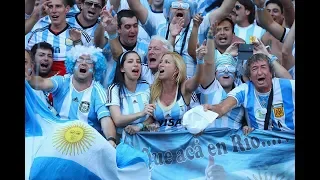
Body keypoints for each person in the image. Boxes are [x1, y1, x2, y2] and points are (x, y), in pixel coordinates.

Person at [25, 45, 117, 147]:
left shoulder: (98, 91)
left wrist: (111, 139)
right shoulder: (63, 81)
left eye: (89, 61)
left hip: (86, 143)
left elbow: (105, 119)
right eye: (80, 59)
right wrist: (29, 79)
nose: (83, 63)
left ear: (95, 68)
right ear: (73, 65)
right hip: (58, 138)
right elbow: (42, 82)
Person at [127, 0, 238, 78]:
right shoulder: (158, 23)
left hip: (189, 87)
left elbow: (225, 9)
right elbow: (135, 6)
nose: (180, 8)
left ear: (191, 12)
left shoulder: (199, 24)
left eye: (185, 6)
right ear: (167, 10)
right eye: (174, 5)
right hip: (160, 83)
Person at [203, 53, 295, 133]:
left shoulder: (288, 85)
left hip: (289, 144)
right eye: (254, 69)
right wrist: (213, 109)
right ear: (250, 77)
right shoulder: (244, 90)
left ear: (271, 73)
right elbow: (223, 107)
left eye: (263, 67)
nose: (259, 72)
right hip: (263, 146)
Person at [143, 45, 206, 132]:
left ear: (176, 70)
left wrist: (200, 60)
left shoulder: (184, 88)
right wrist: (143, 126)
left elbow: (197, 80)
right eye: (161, 62)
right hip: (159, 143)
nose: (161, 64)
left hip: (182, 143)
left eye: (167, 62)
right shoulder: (153, 90)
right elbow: (150, 119)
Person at [26, 0, 92, 76]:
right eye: (50, 7)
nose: (54, 11)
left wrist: (77, 42)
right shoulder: (37, 34)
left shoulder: (81, 34)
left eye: (58, 6)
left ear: (67, 9)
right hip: (40, 84)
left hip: (68, 85)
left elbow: (88, 63)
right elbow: (28, 61)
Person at [199, 25, 245, 129]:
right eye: (222, 69)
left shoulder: (241, 87)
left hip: (233, 142)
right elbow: (209, 63)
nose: (226, 72)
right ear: (215, 73)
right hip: (209, 142)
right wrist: (210, 38)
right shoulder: (209, 85)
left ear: (235, 73)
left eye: (230, 69)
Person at [95, 9, 149, 88]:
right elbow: (98, 44)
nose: (133, 30)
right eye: (128, 27)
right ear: (118, 29)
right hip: (107, 92)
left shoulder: (146, 47)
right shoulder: (107, 46)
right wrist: (104, 24)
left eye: (135, 26)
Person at [106, 51, 155, 139]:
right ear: (122, 69)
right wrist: (141, 114)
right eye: (130, 61)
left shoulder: (147, 86)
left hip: (146, 139)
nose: (136, 64)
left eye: (138, 61)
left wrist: (139, 126)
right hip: (122, 140)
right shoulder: (114, 89)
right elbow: (117, 120)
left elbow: (153, 116)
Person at [25, 49, 57, 115]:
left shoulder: (37, 91)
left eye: (24, 62)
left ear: (31, 66)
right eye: (41, 55)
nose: (46, 58)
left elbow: (48, 117)